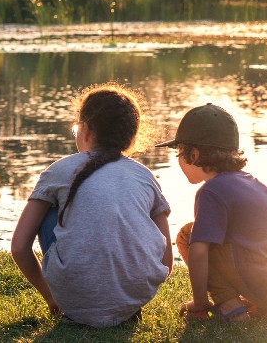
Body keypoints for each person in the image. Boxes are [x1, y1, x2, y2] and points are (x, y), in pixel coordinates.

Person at [11, 82, 173, 328]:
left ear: (85, 131)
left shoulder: (59, 170)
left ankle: (70, 295)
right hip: (136, 295)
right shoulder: (144, 175)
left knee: (49, 210)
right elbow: (166, 260)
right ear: (131, 136)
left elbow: (20, 247)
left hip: (72, 297)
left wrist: (51, 298)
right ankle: (125, 305)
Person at [158, 103, 267, 321]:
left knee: (190, 237)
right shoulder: (249, 182)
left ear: (193, 155)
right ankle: (266, 304)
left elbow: (200, 251)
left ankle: (231, 307)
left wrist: (200, 303)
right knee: (202, 234)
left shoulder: (211, 191)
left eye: (179, 155)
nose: (179, 163)